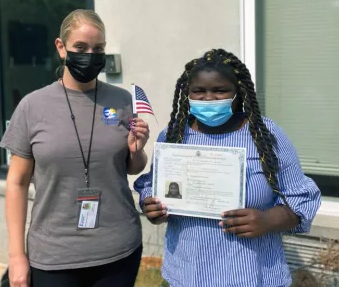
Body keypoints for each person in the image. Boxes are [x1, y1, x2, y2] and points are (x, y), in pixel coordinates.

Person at [134, 49, 321, 287]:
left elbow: (301, 199)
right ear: (187, 94)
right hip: (187, 275)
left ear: (238, 93)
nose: (209, 98)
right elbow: (152, 185)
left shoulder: (267, 135)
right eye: (199, 91)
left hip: (253, 275)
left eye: (220, 90)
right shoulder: (173, 135)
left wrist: (268, 219)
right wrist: (152, 205)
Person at [0, 9, 150, 287]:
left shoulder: (121, 100)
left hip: (118, 250)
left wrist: (137, 150)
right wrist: (16, 255)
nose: (90, 55)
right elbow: (16, 183)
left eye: (98, 48)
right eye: (80, 47)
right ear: (61, 48)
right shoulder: (33, 107)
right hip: (54, 256)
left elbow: (132, 167)